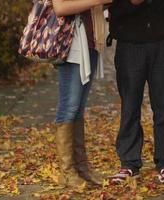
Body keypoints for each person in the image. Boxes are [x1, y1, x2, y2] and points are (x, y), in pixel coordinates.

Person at [108, 0, 164, 183]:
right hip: (128, 44)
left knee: (163, 108)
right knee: (129, 106)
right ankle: (129, 163)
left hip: (160, 43)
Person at [51, 0, 111, 188]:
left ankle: (81, 168)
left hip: (91, 43)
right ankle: (67, 172)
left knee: (78, 109)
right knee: (69, 107)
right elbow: (60, 7)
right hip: (72, 44)